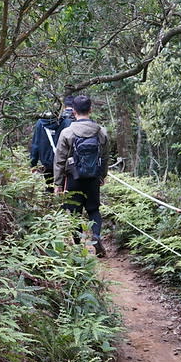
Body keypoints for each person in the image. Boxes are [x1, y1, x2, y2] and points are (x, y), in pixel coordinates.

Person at [53, 95, 108, 257]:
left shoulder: (67, 132)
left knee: (75, 212)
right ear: (90, 110)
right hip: (93, 178)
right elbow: (105, 157)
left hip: (73, 179)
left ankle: (78, 247)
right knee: (93, 209)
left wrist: (57, 183)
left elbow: (59, 160)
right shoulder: (101, 131)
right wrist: (102, 175)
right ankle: (96, 236)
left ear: (74, 111)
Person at [29, 113, 58, 190]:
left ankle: (50, 201)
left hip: (47, 162)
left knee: (49, 186)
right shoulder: (64, 122)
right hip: (61, 162)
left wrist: (33, 164)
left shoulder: (40, 123)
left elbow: (35, 145)